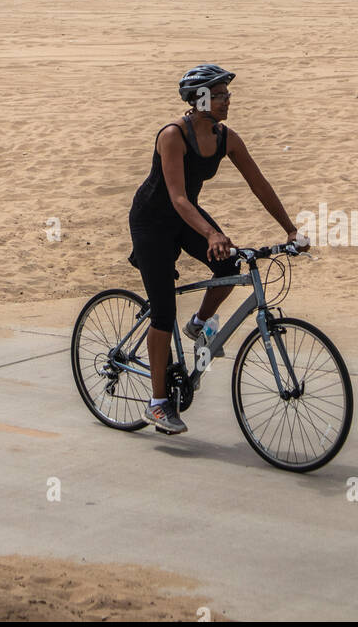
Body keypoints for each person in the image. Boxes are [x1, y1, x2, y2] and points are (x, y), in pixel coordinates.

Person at [128, 64, 302, 435]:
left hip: (187, 218)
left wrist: (290, 229)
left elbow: (259, 183)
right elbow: (176, 197)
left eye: (227, 94)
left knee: (231, 266)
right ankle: (158, 404)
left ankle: (198, 324)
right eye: (219, 94)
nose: (227, 100)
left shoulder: (226, 138)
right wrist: (211, 233)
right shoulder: (173, 135)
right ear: (199, 99)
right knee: (162, 311)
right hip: (153, 223)